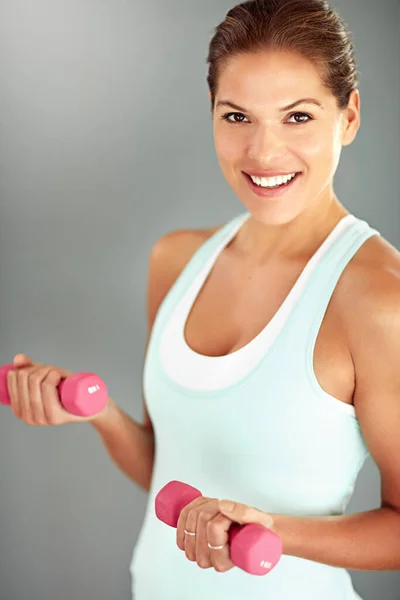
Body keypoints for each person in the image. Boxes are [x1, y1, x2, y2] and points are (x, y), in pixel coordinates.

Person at [6, 0, 400, 598]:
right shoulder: (176, 260)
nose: (264, 153)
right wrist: (101, 415)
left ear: (348, 118)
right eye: (237, 117)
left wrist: (275, 532)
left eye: (297, 117)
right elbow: (171, 478)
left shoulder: (378, 300)